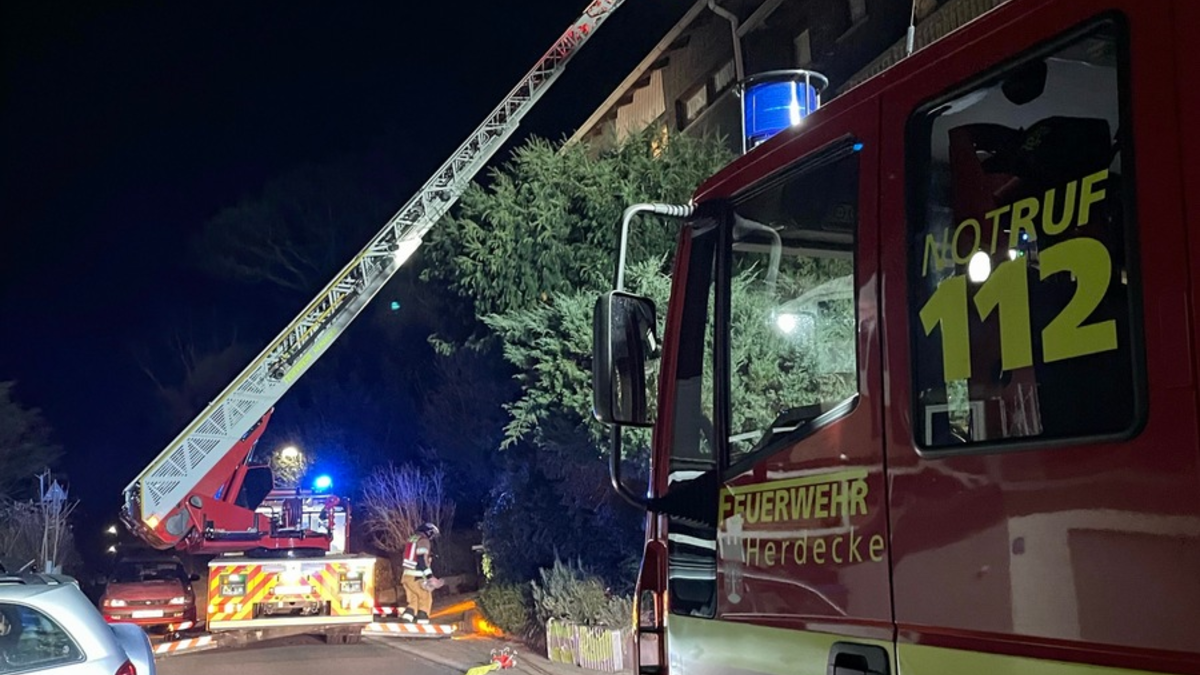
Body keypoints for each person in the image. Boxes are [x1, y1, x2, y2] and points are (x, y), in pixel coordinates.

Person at [399, 522, 440, 623]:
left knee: (413, 602)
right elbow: (421, 559)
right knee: (426, 599)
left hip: (406, 577)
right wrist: (430, 576)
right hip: (417, 577)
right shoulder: (423, 541)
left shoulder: (411, 539)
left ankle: (406, 622)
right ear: (429, 532)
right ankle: (422, 623)